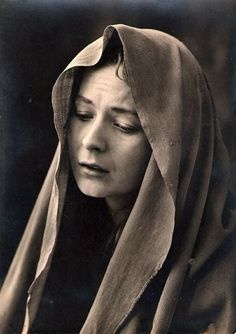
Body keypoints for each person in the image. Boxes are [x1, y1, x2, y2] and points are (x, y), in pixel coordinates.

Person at [0, 24, 235, 334]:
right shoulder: (68, 243)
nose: (91, 141)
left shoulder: (225, 269)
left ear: (176, 142)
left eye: (124, 125)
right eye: (83, 115)